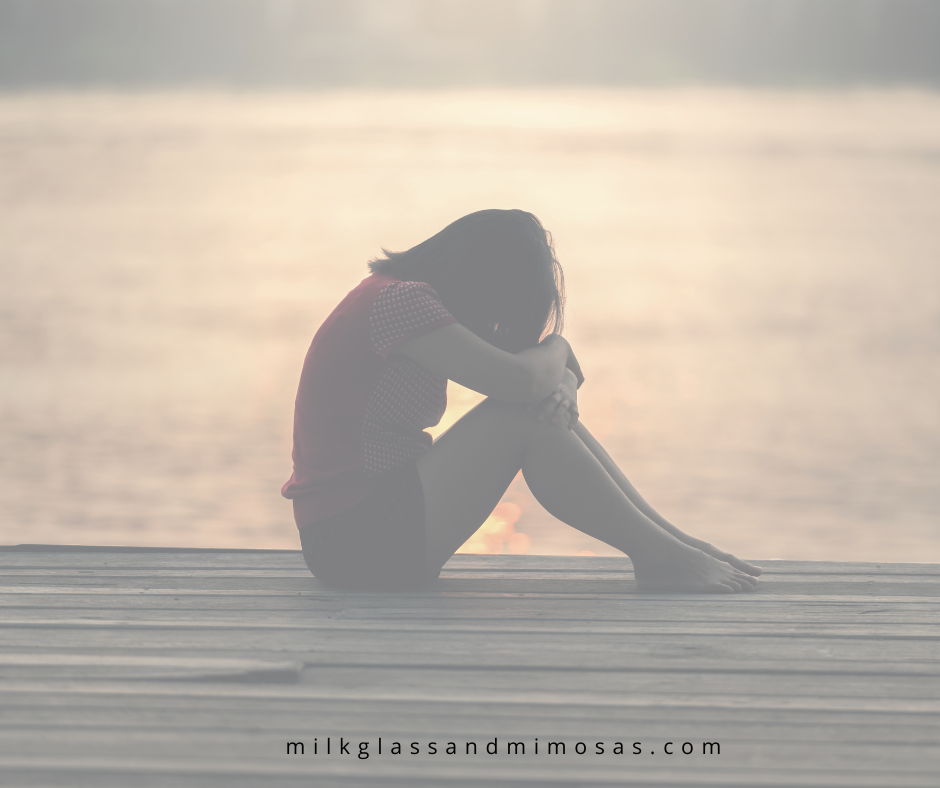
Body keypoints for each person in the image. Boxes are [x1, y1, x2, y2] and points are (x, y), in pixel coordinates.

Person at [282, 209, 761, 593]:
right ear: (483, 280)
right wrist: (559, 349)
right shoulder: (402, 303)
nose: (496, 324)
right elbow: (524, 380)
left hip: (366, 532)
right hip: (354, 540)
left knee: (532, 412)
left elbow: (538, 379)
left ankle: (673, 546)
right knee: (520, 418)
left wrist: (564, 382)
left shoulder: (398, 300)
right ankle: (662, 557)